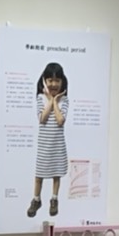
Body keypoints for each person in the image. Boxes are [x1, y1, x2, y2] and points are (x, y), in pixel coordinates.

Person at [28, 63, 70, 218]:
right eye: (50, 80)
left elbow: (60, 120)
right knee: (39, 175)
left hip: (57, 144)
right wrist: (50, 100)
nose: (53, 84)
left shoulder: (64, 100)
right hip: (44, 145)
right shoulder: (40, 98)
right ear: (44, 81)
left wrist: (55, 100)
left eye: (57, 80)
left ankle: (54, 199)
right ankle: (36, 199)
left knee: (56, 174)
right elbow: (42, 118)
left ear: (62, 81)